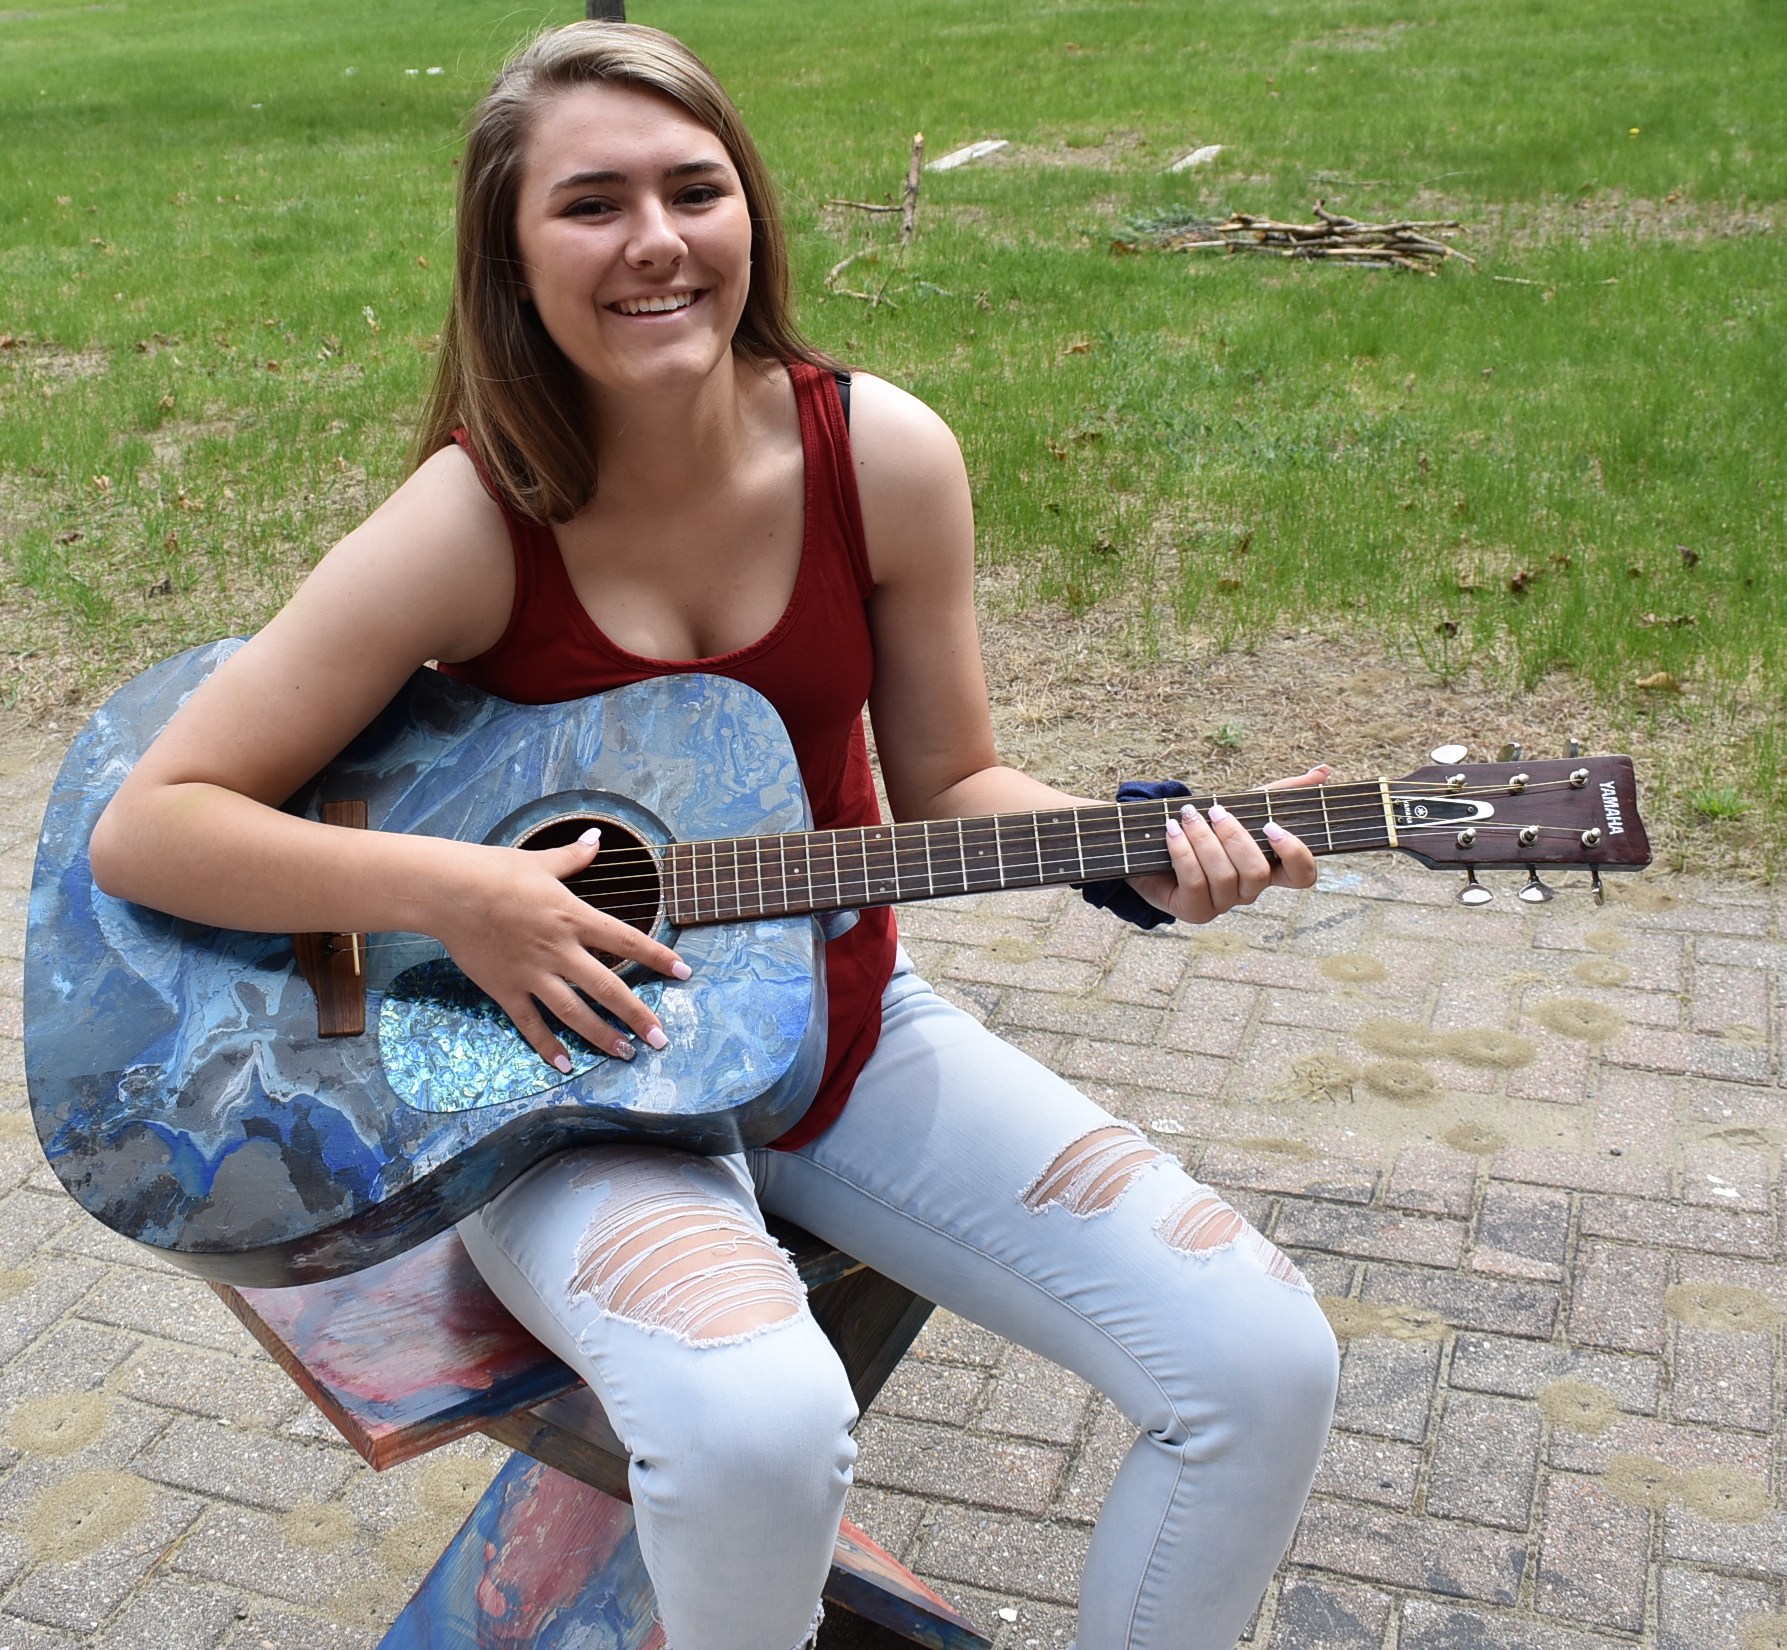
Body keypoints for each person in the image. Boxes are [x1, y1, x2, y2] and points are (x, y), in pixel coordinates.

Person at [90, 23, 1338, 1650]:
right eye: (591, 203)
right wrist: (461, 894)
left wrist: (1134, 849)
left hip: (835, 1038)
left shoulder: (878, 456)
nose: (659, 241)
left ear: (752, 208)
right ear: (509, 256)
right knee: (756, 1425)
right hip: (546, 1098)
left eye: (696, 189)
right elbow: (153, 823)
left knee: (1261, 1359)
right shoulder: (476, 518)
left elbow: (955, 781)